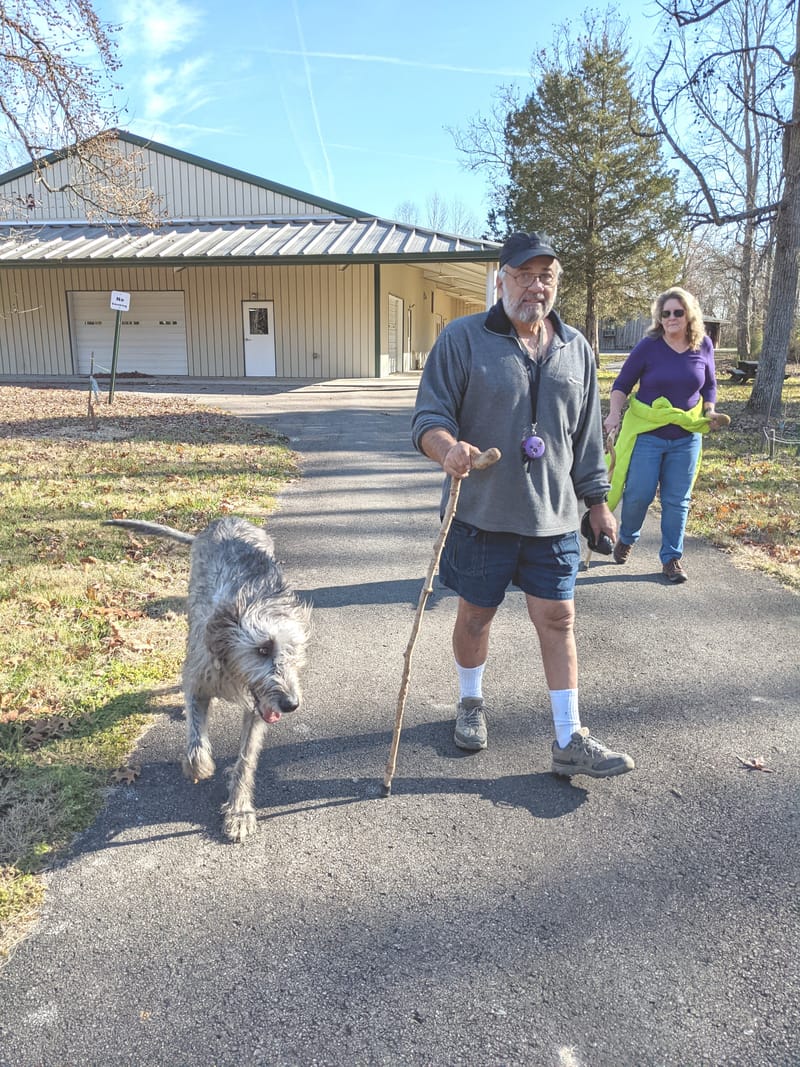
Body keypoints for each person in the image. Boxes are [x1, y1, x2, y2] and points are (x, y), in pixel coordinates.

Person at [411, 231, 634, 779]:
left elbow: (583, 438)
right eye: (524, 275)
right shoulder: (462, 339)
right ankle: (470, 701)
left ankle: (568, 738)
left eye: (547, 276)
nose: (536, 286)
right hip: (480, 516)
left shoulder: (576, 349)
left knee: (558, 619)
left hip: (553, 516)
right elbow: (427, 418)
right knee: (475, 617)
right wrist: (448, 449)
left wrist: (598, 503)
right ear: (501, 279)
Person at [604, 287, 729, 584]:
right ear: (659, 318)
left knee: (677, 500)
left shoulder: (704, 346)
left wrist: (710, 410)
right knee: (637, 494)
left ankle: (672, 558)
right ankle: (628, 536)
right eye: (666, 313)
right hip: (647, 433)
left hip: (686, 433)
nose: (671, 318)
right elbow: (622, 383)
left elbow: (709, 385)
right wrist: (613, 415)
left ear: (689, 315)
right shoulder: (649, 346)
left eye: (678, 312)